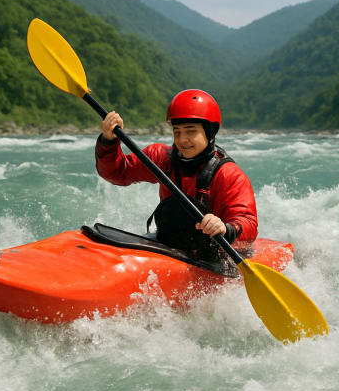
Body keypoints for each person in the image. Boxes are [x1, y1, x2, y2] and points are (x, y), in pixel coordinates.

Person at [95, 89, 257, 262]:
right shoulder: (161, 158)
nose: (182, 139)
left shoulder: (229, 175)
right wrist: (109, 141)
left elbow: (247, 222)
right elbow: (118, 172)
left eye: (190, 131)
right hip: (170, 243)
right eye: (177, 131)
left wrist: (225, 228)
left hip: (215, 252)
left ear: (210, 131)